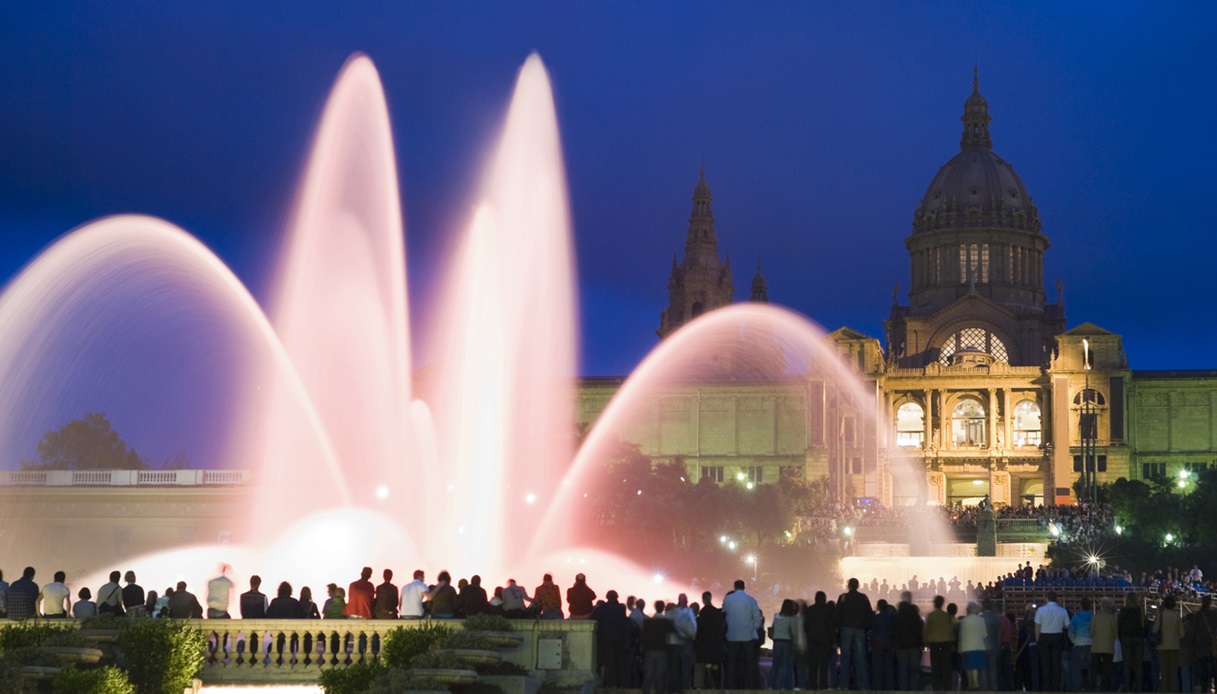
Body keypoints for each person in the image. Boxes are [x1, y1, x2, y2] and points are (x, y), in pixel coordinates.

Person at [722, 579, 763, 689]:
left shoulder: (728, 599)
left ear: (734, 587)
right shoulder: (750, 599)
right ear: (744, 587)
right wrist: (753, 629)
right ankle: (750, 686)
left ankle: (731, 686)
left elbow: (724, 614)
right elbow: (757, 618)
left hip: (732, 635)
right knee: (749, 663)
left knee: (732, 663)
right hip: (747, 636)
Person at [836, 577, 873, 689]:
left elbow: (837, 614)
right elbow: (869, 614)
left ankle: (844, 685)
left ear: (849, 586)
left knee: (845, 658)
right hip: (860, 629)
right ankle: (863, 685)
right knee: (861, 658)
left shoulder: (843, 597)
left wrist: (840, 627)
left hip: (846, 628)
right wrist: (866, 627)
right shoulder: (863, 598)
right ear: (858, 586)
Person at [592, 589, 632, 687]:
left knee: (610, 664)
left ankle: (612, 684)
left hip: (606, 640)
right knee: (620, 663)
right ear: (616, 597)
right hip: (620, 640)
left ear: (607, 597)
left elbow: (594, 618)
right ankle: (621, 684)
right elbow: (625, 624)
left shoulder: (602, 608)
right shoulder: (621, 608)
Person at [1035, 590, 1070, 692]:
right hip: (1057, 636)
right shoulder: (1062, 610)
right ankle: (1056, 687)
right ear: (1057, 599)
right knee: (1056, 663)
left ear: (1047, 598)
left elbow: (1037, 625)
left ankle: (1046, 686)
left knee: (1045, 664)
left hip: (1044, 636)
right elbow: (1067, 625)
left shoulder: (1041, 610)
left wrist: (1038, 639)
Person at [803, 590, 837, 690]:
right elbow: (831, 626)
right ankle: (823, 685)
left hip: (812, 640)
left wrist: (809, 635)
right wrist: (834, 640)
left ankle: (812, 685)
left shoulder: (810, 610)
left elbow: (806, 625)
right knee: (823, 665)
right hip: (825, 641)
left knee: (812, 664)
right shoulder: (828, 610)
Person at [640, 600, 674, 694]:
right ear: (663, 608)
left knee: (648, 677)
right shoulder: (666, 622)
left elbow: (643, 637)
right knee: (660, 678)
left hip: (649, 651)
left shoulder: (647, 622)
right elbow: (673, 632)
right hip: (662, 650)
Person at [894, 590, 924, 691]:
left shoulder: (898, 613)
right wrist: (921, 643)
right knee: (914, 671)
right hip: (914, 645)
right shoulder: (914, 613)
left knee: (902, 670)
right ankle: (913, 689)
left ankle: (903, 689)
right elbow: (919, 628)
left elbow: (895, 630)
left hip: (901, 646)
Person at [695, 591, 726, 689]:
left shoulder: (703, 612)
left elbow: (700, 627)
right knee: (716, 667)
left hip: (706, 646)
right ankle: (717, 687)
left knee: (707, 667)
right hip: (716, 645)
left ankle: (708, 686)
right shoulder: (717, 612)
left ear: (703, 599)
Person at [925, 595, 956, 692]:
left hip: (934, 642)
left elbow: (926, 630)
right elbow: (951, 629)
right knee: (946, 666)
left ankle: (936, 687)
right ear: (942, 604)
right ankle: (947, 687)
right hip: (946, 642)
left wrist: (926, 643)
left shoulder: (931, 615)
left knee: (935, 666)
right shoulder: (946, 616)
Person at [1118, 591, 1145, 692]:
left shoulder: (1124, 611)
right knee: (1138, 665)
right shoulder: (1140, 610)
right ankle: (1139, 688)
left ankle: (1127, 687)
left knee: (1127, 664)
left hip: (1126, 638)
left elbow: (1119, 625)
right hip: (1138, 638)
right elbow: (1144, 624)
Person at [768, 598, 798, 690]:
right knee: (785, 665)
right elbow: (793, 632)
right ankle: (783, 686)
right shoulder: (791, 619)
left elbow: (773, 627)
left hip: (776, 641)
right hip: (787, 642)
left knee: (775, 665)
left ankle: (771, 685)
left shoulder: (776, 616)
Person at [1155, 595, 1183, 694]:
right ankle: (1174, 690)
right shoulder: (1177, 616)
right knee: (1173, 672)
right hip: (1174, 646)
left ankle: (1164, 689)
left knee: (1163, 671)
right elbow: (1182, 633)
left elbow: (1155, 630)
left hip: (1162, 646)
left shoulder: (1161, 615)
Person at [1090, 597, 1118, 692]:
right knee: (1107, 668)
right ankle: (1105, 688)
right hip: (1108, 645)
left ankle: (1092, 687)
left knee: (1094, 667)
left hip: (1096, 645)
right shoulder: (1114, 618)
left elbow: (1091, 632)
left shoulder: (1096, 617)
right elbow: (1115, 633)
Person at [959, 602, 987, 690]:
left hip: (966, 647)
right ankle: (975, 683)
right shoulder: (981, 620)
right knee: (975, 666)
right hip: (978, 646)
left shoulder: (963, 621)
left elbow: (961, 635)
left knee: (968, 666)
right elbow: (984, 634)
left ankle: (970, 683)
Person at [1067, 596, 1094, 692]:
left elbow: (1070, 633)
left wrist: (1076, 641)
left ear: (1080, 606)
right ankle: (1090, 687)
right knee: (1091, 669)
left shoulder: (1075, 618)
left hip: (1079, 645)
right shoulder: (1093, 617)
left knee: (1076, 670)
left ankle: (1077, 688)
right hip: (1091, 645)